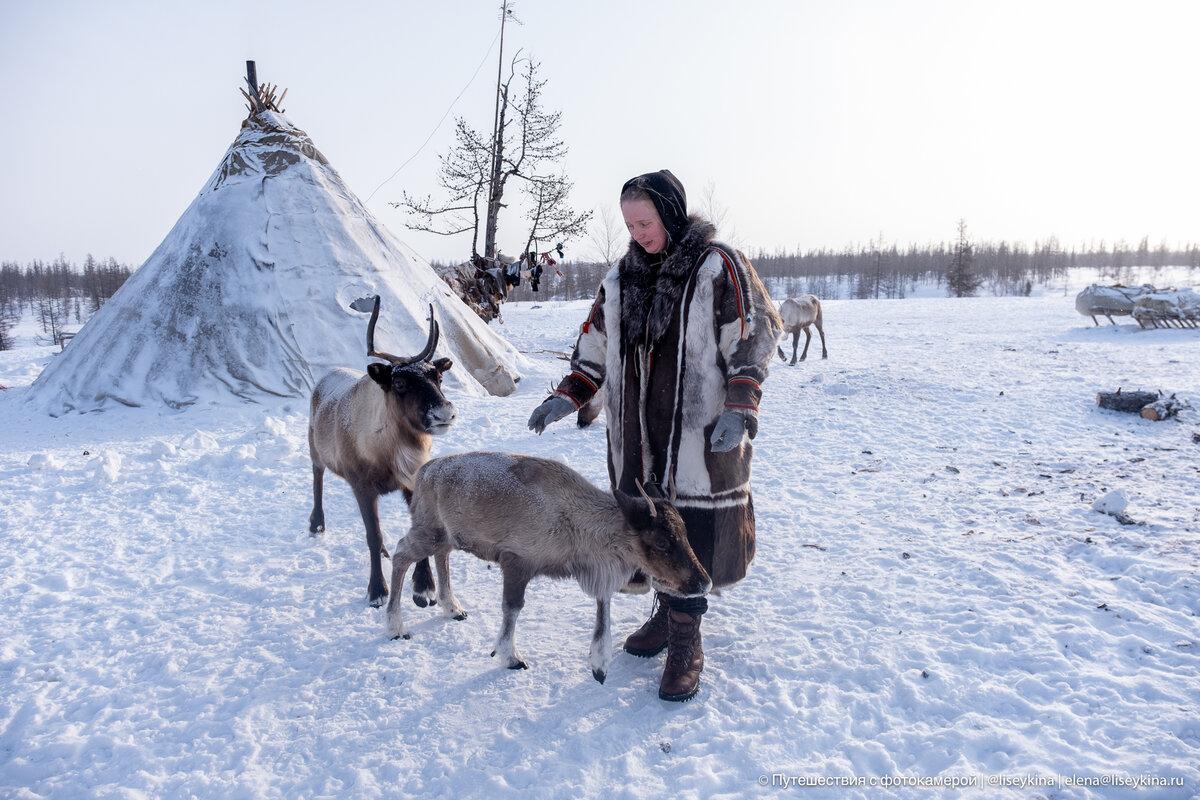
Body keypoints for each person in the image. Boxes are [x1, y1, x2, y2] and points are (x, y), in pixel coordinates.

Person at [528, 170, 782, 701]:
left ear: (670, 212)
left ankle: (687, 637)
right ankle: (667, 613)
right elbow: (595, 345)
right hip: (636, 441)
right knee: (653, 531)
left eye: (645, 222)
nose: (637, 233)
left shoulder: (718, 266)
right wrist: (569, 394)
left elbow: (754, 334)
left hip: (699, 439)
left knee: (692, 531)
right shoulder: (619, 279)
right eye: (629, 225)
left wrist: (740, 405)